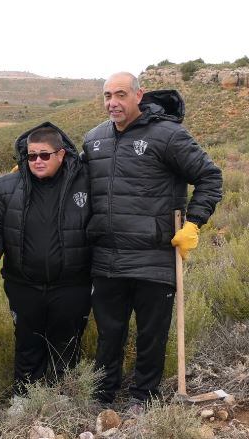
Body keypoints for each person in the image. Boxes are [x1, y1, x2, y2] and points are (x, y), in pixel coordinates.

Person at [83, 72, 222, 409]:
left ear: (138, 95)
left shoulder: (169, 135)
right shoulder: (94, 139)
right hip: (107, 258)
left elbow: (209, 176)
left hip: (155, 257)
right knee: (109, 333)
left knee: (151, 335)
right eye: (107, 96)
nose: (112, 102)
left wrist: (194, 224)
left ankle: (142, 396)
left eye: (120, 94)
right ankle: (103, 393)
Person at [0, 123, 92, 399]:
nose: (37, 161)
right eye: (31, 156)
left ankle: (64, 396)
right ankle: (24, 396)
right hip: (23, 283)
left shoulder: (84, 182)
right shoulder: (7, 186)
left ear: (61, 155)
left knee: (67, 342)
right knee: (27, 342)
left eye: (44, 155)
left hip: (72, 284)